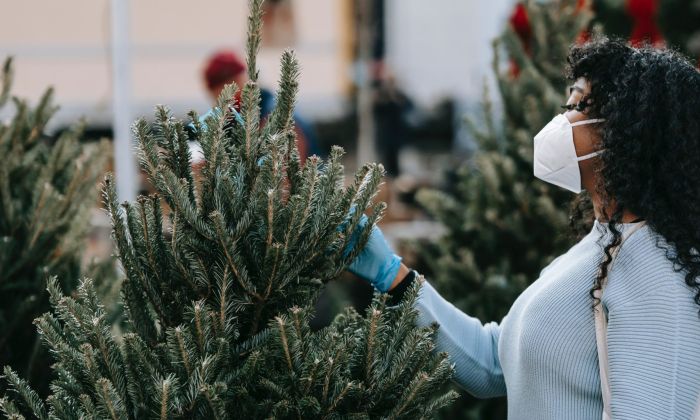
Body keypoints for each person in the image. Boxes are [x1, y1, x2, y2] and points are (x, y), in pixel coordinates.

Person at [346, 37, 700, 419]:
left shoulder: (660, 278)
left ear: (629, 131)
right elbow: (489, 365)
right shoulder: (597, 246)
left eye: (579, 106)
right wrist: (392, 275)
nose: (563, 119)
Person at [200, 50, 322, 162]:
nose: (218, 104)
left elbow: (289, 170)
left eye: (220, 95)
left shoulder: (273, 115)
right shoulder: (238, 117)